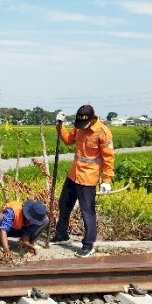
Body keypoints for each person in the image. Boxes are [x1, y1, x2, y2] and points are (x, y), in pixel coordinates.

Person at [51, 104, 115, 257]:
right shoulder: (79, 127)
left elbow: (109, 158)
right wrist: (60, 125)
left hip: (88, 179)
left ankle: (88, 245)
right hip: (74, 174)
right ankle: (61, 235)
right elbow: (67, 140)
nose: (82, 127)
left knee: (87, 212)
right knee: (64, 204)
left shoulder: (103, 132)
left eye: (85, 124)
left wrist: (107, 180)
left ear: (93, 119)